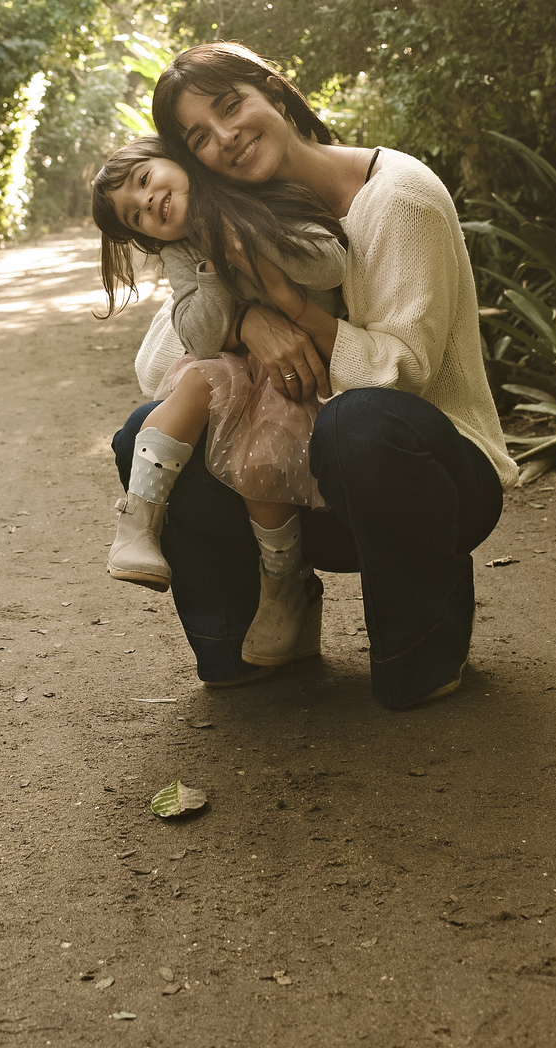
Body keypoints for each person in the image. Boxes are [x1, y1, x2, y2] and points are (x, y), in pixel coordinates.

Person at [110, 41, 515, 709]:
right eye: (199, 138)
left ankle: (422, 646)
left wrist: (294, 310)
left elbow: (402, 374)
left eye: (232, 106)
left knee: (355, 423)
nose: (227, 138)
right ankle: (255, 635)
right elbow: (156, 362)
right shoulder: (225, 211)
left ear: (274, 88)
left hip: (431, 475)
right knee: (142, 437)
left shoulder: (398, 198)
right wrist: (247, 324)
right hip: (298, 488)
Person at [90, 133, 346, 666]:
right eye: (137, 216)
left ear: (175, 159)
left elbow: (330, 267)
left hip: (298, 376)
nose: (149, 202)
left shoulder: (257, 198)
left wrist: (247, 241)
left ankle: (283, 585)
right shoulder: (184, 252)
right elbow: (199, 337)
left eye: (145, 180)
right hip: (234, 372)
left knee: (260, 465)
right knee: (192, 381)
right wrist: (212, 270)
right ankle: (139, 523)